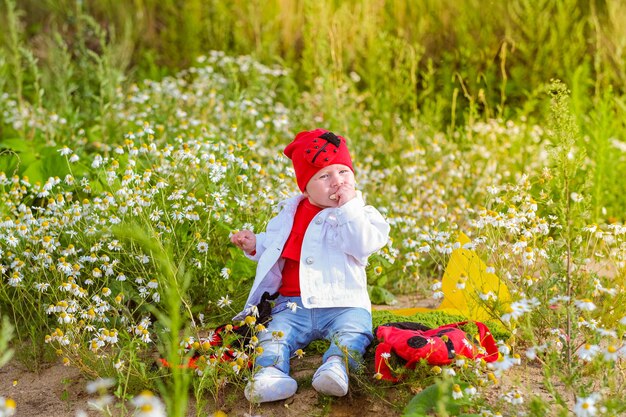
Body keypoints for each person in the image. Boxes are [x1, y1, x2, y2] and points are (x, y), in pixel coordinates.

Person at [230, 128, 390, 403]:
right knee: (272, 335)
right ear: (304, 186)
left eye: (344, 172)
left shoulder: (360, 215)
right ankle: (270, 372)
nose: (337, 182)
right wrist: (255, 243)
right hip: (292, 305)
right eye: (324, 176)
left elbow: (363, 244)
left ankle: (337, 365)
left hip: (344, 303)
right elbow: (276, 244)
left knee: (355, 330)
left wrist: (348, 208)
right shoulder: (289, 214)